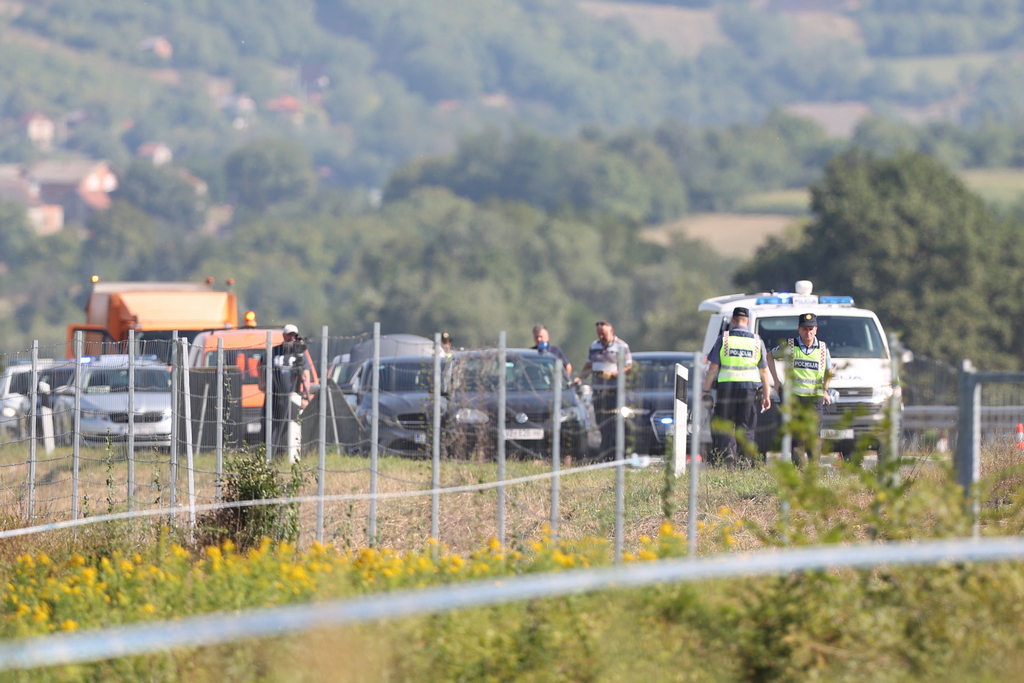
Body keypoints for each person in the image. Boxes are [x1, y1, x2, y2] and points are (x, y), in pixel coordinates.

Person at [701, 307, 772, 465]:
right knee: (746, 427)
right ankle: (746, 461)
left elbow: (712, 368)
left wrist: (705, 391)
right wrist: (766, 395)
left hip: (726, 389)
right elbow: (764, 371)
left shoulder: (724, 339)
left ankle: (728, 457)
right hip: (749, 390)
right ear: (747, 321)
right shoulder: (756, 341)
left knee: (726, 424)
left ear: (733, 321)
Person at [766, 312, 832, 464]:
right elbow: (769, 356)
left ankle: (813, 470)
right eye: (804, 329)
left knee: (814, 436)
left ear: (816, 330)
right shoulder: (790, 346)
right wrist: (776, 381)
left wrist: (825, 389)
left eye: (810, 329)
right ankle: (798, 470)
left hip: (814, 400)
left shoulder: (822, 348)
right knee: (797, 437)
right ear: (798, 329)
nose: (807, 332)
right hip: (794, 398)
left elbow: (829, 369)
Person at [577, 321, 631, 460]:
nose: (601, 337)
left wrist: (613, 374)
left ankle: (617, 455)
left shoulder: (622, 346)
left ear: (611, 331)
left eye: (604, 334)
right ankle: (606, 455)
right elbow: (589, 365)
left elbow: (629, 367)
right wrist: (580, 378)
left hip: (614, 391)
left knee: (615, 423)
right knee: (601, 423)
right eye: (599, 334)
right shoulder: (594, 346)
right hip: (598, 392)